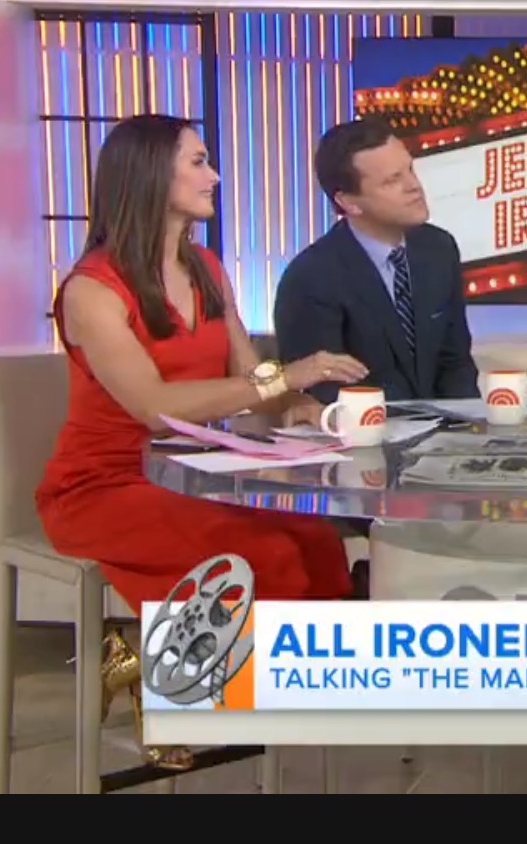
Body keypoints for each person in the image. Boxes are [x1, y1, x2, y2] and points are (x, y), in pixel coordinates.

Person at [35, 114, 365, 769]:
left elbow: (251, 380)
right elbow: (155, 409)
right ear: (149, 175)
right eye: (198, 161)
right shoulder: (91, 290)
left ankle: (207, 684)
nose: (214, 176)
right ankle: (186, 687)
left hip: (191, 471)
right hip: (103, 484)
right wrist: (287, 375)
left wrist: (300, 407)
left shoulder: (207, 267)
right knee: (264, 552)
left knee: (316, 539)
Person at [274, 117, 480, 405]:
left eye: (410, 170)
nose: (414, 186)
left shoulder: (438, 249)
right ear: (349, 202)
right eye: (392, 180)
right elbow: (324, 392)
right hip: (363, 428)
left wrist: (467, 424)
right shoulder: (311, 278)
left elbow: (455, 362)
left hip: (443, 428)